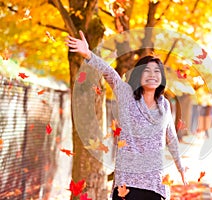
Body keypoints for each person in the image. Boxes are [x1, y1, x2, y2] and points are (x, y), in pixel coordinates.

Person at [67, 31, 187, 200]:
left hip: (155, 183)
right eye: (147, 71)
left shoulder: (165, 105)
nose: (152, 75)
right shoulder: (127, 95)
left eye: (156, 71)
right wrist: (88, 54)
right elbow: (110, 73)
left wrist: (180, 167)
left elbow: (171, 137)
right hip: (128, 182)